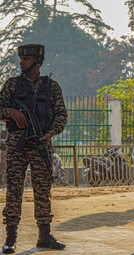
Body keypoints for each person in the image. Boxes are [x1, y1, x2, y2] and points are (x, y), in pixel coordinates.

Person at [0, 44, 68, 253]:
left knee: (42, 191)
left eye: (27, 59)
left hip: (41, 145)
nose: (22, 62)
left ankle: (44, 236)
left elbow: (61, 115)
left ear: (38, 62)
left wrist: (51, 132)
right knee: (14, 190)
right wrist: (11, 112)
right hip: (17, 145)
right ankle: (11, 237)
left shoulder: (51, 87)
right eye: (21, 59)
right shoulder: (12, 85)